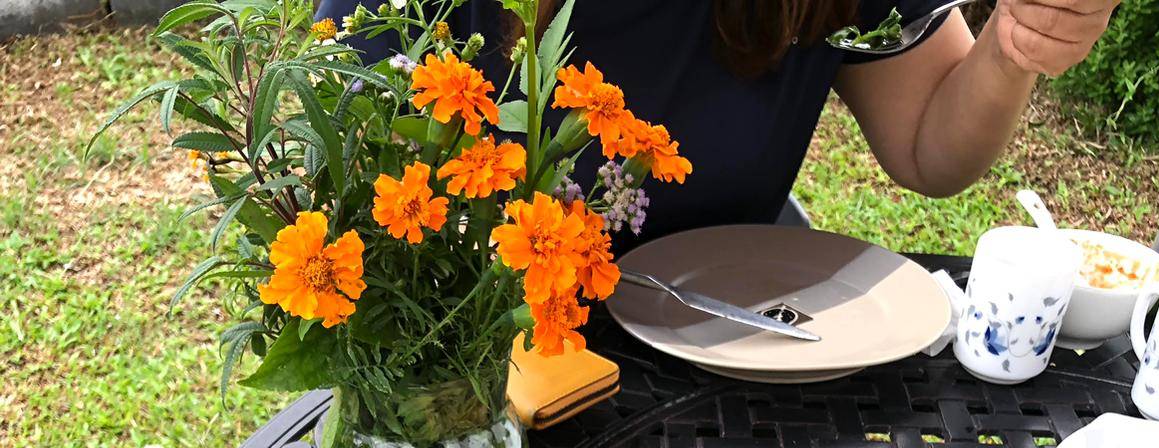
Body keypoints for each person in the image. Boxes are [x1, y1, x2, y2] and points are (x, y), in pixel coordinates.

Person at [320, 0, 1118, 242]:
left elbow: (927, 149)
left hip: (737, 386)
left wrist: (1014, 45)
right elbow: (363, 231)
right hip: (476, 393)